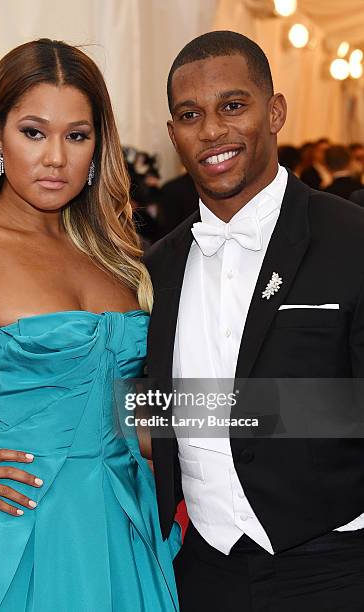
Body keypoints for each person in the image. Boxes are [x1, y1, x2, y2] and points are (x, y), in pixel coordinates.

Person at [0, 39, 179, 611]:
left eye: (76, 135)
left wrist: (291, 411)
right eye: (34, 132)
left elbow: (135, 413)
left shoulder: (118, 255)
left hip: (122, 526)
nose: (55, 157)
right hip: (5, 534)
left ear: (97, 145)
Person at [144, 31, 364, 611]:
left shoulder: (351, 240)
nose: (212, 131)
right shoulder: (154, 269)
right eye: (190, 115)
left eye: (232, 106)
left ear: (275, 112)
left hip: (337, 565)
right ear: (173, 135)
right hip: (203, 569)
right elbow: (148, 406)